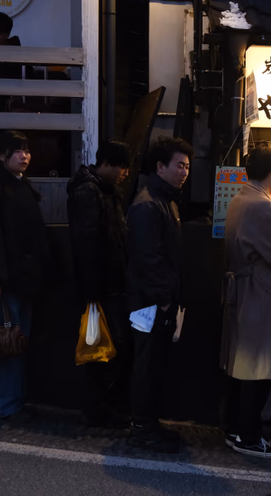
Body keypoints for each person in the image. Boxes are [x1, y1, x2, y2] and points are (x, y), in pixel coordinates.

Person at [0, 131, 53, 420]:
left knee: (14, 344)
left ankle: (12, 403)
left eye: (27, 151)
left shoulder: (20, 187)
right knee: (3, 344)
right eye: (17, 151)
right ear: (1, 156)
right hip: (6, 283)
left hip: (23, 280)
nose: (24, 156)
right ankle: (4, 405)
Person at [221, 144, 271, 460]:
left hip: (243, 289)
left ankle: (236, 429)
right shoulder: (263, 206)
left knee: (245, 364)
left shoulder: (241, 198)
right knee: (260, 366)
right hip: (260, 291)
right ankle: (250, 437)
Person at [126, 137, 193, 453]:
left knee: (155, 365)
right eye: (179, 165)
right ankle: (141, 428)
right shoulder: (148, 204)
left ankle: (149, 424)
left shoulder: (165, 200)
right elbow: (148, 258)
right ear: (160, 167)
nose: (184, 172)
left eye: (188, 167)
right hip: (148, 304)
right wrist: (165, 299)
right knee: (147, 364)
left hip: (158, 301)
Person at [67, 140, 132, 427]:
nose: (125, 173)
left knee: (108, 348)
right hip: (100, 289)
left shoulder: (107, 190)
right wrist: (92, 293)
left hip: (113, 285)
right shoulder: (87, 192)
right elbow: (86, 244)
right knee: (101, 349)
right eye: (121, 167)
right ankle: (98, 409)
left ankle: (104, 407)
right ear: (105, 164)